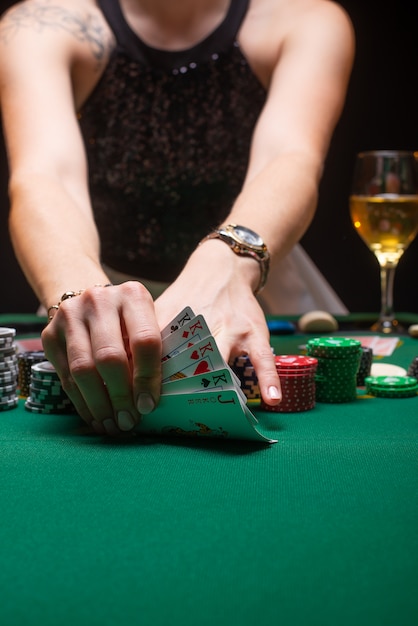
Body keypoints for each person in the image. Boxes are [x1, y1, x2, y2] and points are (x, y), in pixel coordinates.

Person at [0, 0, 355, 436]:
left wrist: (224, 266)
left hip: (253, 280)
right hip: (98, 279)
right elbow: (44, 176)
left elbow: (292, 157)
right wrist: (84, 297)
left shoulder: (307, 18)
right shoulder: (40, 22)